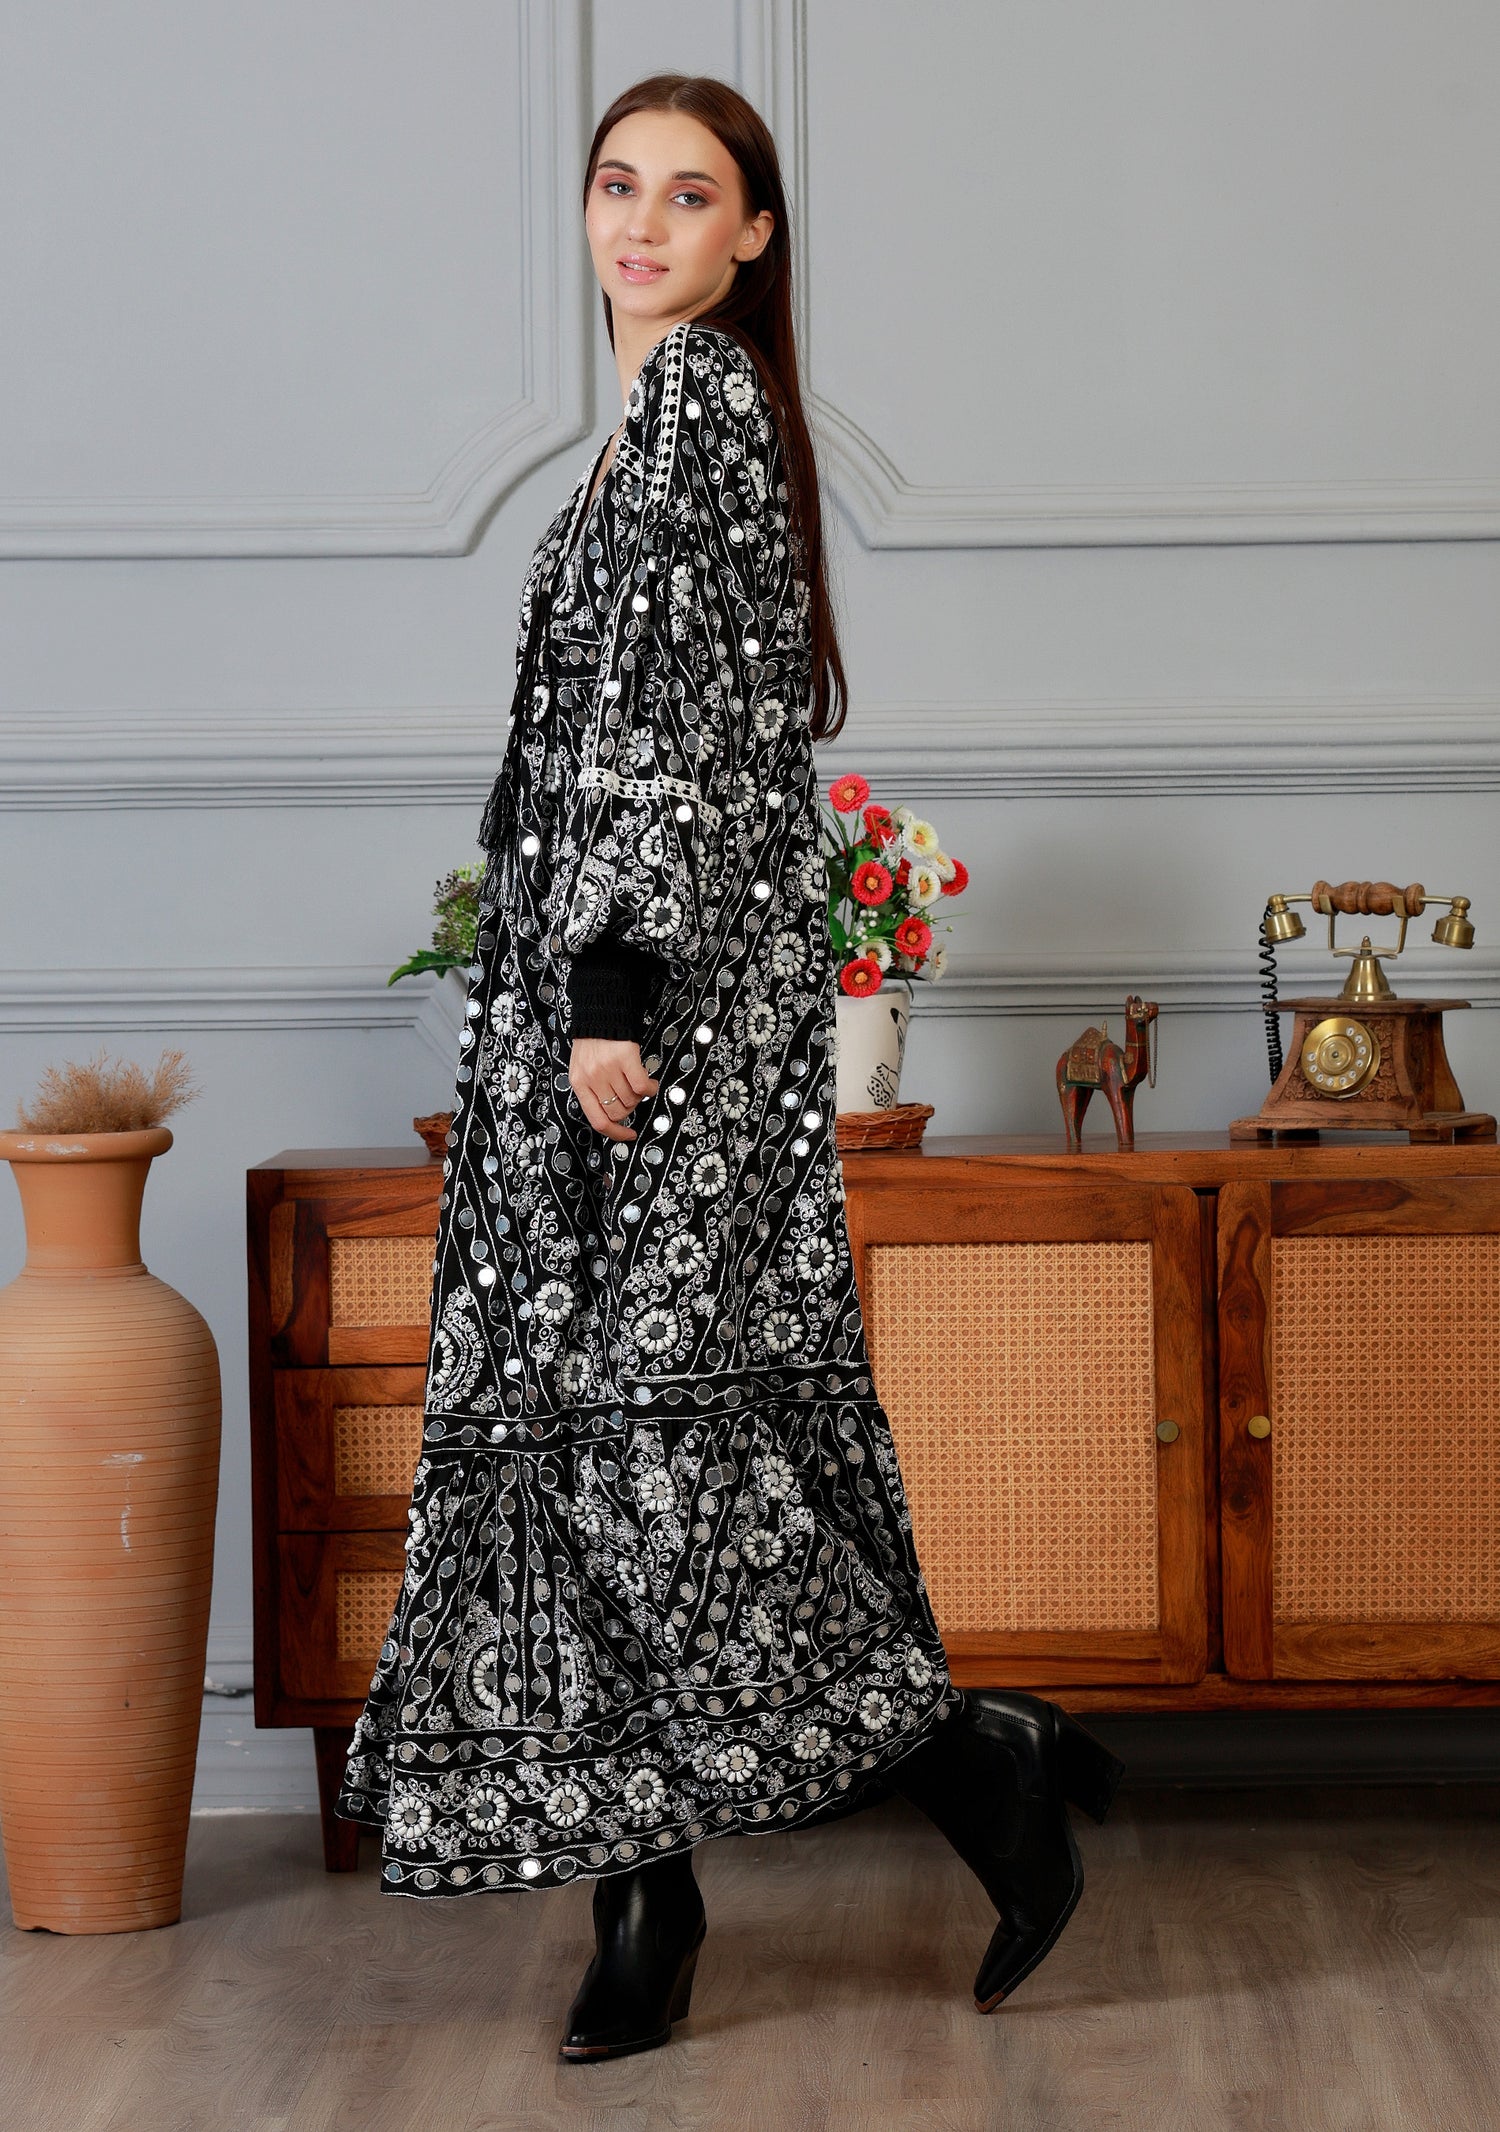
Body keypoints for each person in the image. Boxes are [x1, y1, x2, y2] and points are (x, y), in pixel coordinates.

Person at [336, 71, 1124, 2061]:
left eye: (689, 197)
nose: (642, 224)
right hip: (624, 1000)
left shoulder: (698, 408)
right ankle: (652, 1892)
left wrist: (607, 987)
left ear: (754, 233)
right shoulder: (658, 424)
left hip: (659, 1016)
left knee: (651, 1446)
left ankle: (973, 1763)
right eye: (618, 186)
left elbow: (665, 734)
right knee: (591, 1440)